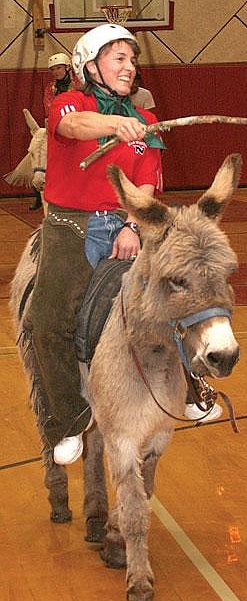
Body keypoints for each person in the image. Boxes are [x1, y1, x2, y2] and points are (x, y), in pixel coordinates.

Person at [25, 23, 169, 467]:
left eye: (132, 59)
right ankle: (68, 421)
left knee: (182, 298)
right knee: (46, 322)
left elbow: (146, 181)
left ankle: (193, 388)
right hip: (72, 225)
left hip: (125, 225)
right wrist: (115, 124)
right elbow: (72, 125)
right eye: (119, 58)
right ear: (90, 66)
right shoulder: (72, 100)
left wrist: (132, 224)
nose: (130, 67)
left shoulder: (145, 123)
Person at [43, 52, 80, 117]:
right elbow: (49, 110)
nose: (55, 72)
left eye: (58, 68)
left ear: (67, 67)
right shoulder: (50, 88)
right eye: (52, 69)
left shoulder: (78, 84)